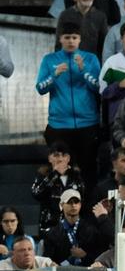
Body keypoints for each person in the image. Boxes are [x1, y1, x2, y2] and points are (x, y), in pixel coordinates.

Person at [37, 24, 101, 183]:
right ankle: (60, 206)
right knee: (61, 172)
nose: (71, 41)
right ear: (60, 39)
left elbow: (99, 88)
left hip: (87, 124)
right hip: (59, 125)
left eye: (74, 38)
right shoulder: (50, 59)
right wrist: (54, 75)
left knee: (88, 171)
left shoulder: (90, 58)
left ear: (79, 40)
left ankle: (87, 207)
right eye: (67, 38)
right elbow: (40, 88)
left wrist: (84, 70)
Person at [42, 188, 103, 267]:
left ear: (80, 205)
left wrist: (85, 255)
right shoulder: (51, 234)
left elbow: (100, 255)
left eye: (76, 202)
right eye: (69, 202)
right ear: (61, 205)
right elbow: (47, 260)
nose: (73, 205)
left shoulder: (92, 230)